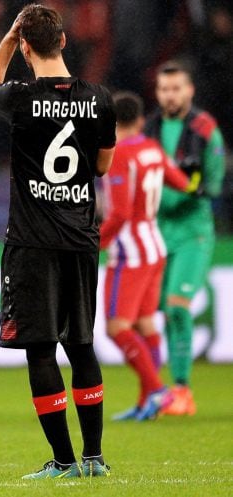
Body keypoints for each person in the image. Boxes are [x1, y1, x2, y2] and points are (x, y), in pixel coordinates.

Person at [0, 4, 115, 479]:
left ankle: (63, 462)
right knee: (81, 345)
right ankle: (94, 458)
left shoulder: (19, 96)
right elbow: (102, 167)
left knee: (41, 348)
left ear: (27, 46)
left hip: (33, 242)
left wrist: (8, 40)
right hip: (80, 238)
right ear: (65, 42)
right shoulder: (99, 99)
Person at [101, 91, 195, 422]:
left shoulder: (120, 154)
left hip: (130, 252)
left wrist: (94, 244)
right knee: (145, 324)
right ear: (140, 120)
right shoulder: (153, 149)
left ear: (112, 121)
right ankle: (147, 403)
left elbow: (120, 212)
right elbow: (184, 182)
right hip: (155, 246)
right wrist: (198, 176)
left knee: (116, 327)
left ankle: (156, 390)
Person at [145, 61, 227, 416]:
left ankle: (182, 390)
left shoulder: (206, 129)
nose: (170, 95)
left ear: (190, 90)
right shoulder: (149, 128)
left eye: (177, 88)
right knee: (162, 312)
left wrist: (179, 194)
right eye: (164, 89)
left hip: (193, 231)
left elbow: (214, 183)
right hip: (158, 233)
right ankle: (161, 391)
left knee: (178, 307)